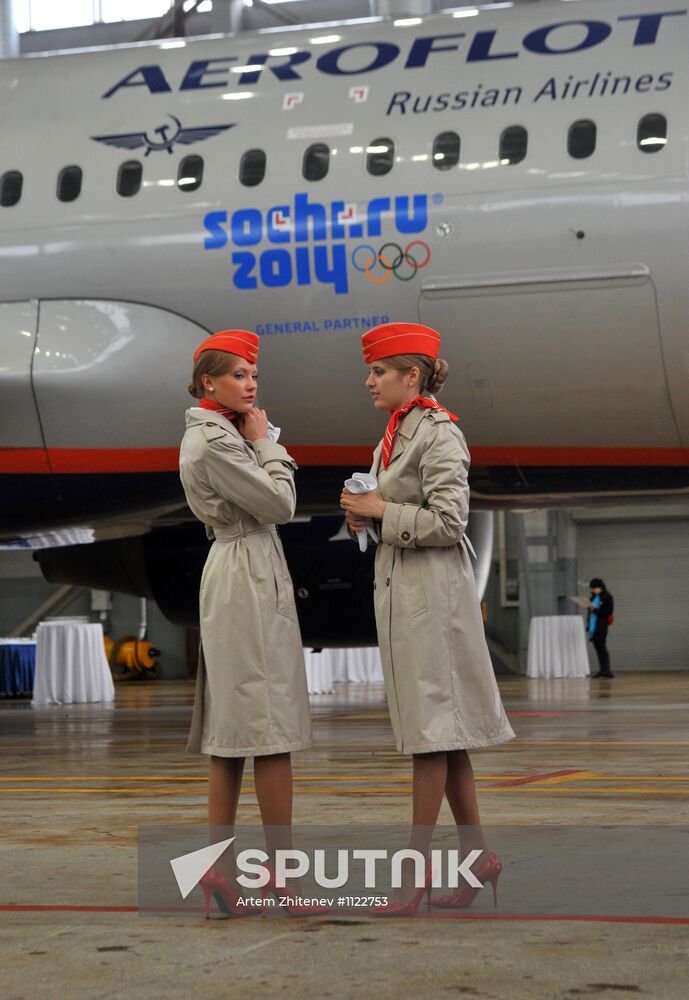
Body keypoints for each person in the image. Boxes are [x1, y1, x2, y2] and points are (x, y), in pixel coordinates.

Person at [340, 321, 515, 915]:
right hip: (408, 598)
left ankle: (412, 877)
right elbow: (399, 509)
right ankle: (479, 858)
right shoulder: (397, 432)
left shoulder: (438, 435)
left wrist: (380, 509)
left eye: (378, 372)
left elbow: (449, 521)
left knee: (429, 741)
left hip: (432, 604)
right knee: (447, 738)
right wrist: (363, 515)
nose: (369, 381)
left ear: (410, 375)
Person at [179, 329, 313, 917]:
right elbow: (280, 504)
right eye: (238, 374)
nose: (251, 384)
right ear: (209, 380)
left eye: (253, 374)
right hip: (245, 567)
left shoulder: (215, 434)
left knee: (234, 736)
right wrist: (268, 445)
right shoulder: (217, 441)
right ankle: (281, 878)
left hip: (242, 565)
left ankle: (214, 869)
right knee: (267, 731)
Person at [588, 577, 615, 678]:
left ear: (600, 587)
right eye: (592, 589)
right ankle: (602, 670)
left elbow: (608, 612)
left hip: (601, 626)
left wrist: (595, 610)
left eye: (595, 588)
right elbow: (590, 611)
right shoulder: (593, 597)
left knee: (602, 648)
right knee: (598, 649)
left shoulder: (607, 597)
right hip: (593, 627)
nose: (593, 590)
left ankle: (607, 671)